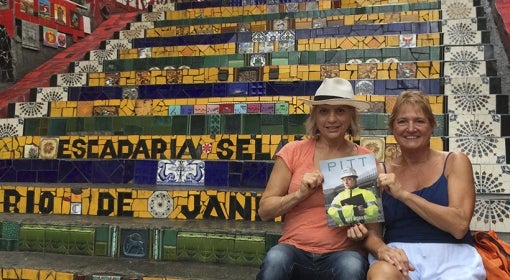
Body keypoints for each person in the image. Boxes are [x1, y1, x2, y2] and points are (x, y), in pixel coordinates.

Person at [256, 77, 376, 280]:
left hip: (343, 253)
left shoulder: (363, 159)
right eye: (324, 111)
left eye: (340, 111)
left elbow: (373, 226)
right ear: (315, 116)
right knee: (275, 259)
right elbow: (264, 211)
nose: (331, 119)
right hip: (294, 249)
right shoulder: (293, 151)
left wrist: (362, 233)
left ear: (351, 116)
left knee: (351, 268)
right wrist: (299, 194)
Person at [358, 90, 486, 280]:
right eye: (402, 121)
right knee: (380, 274)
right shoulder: (378, 171)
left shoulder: (455, 162)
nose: (411, 128)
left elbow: (459, 226)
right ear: (392, 127)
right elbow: (372, 234)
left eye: (419, 121)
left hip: (453, 257)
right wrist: (382, 249)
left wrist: (403, 195)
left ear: (432, 126)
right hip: (401, 256)